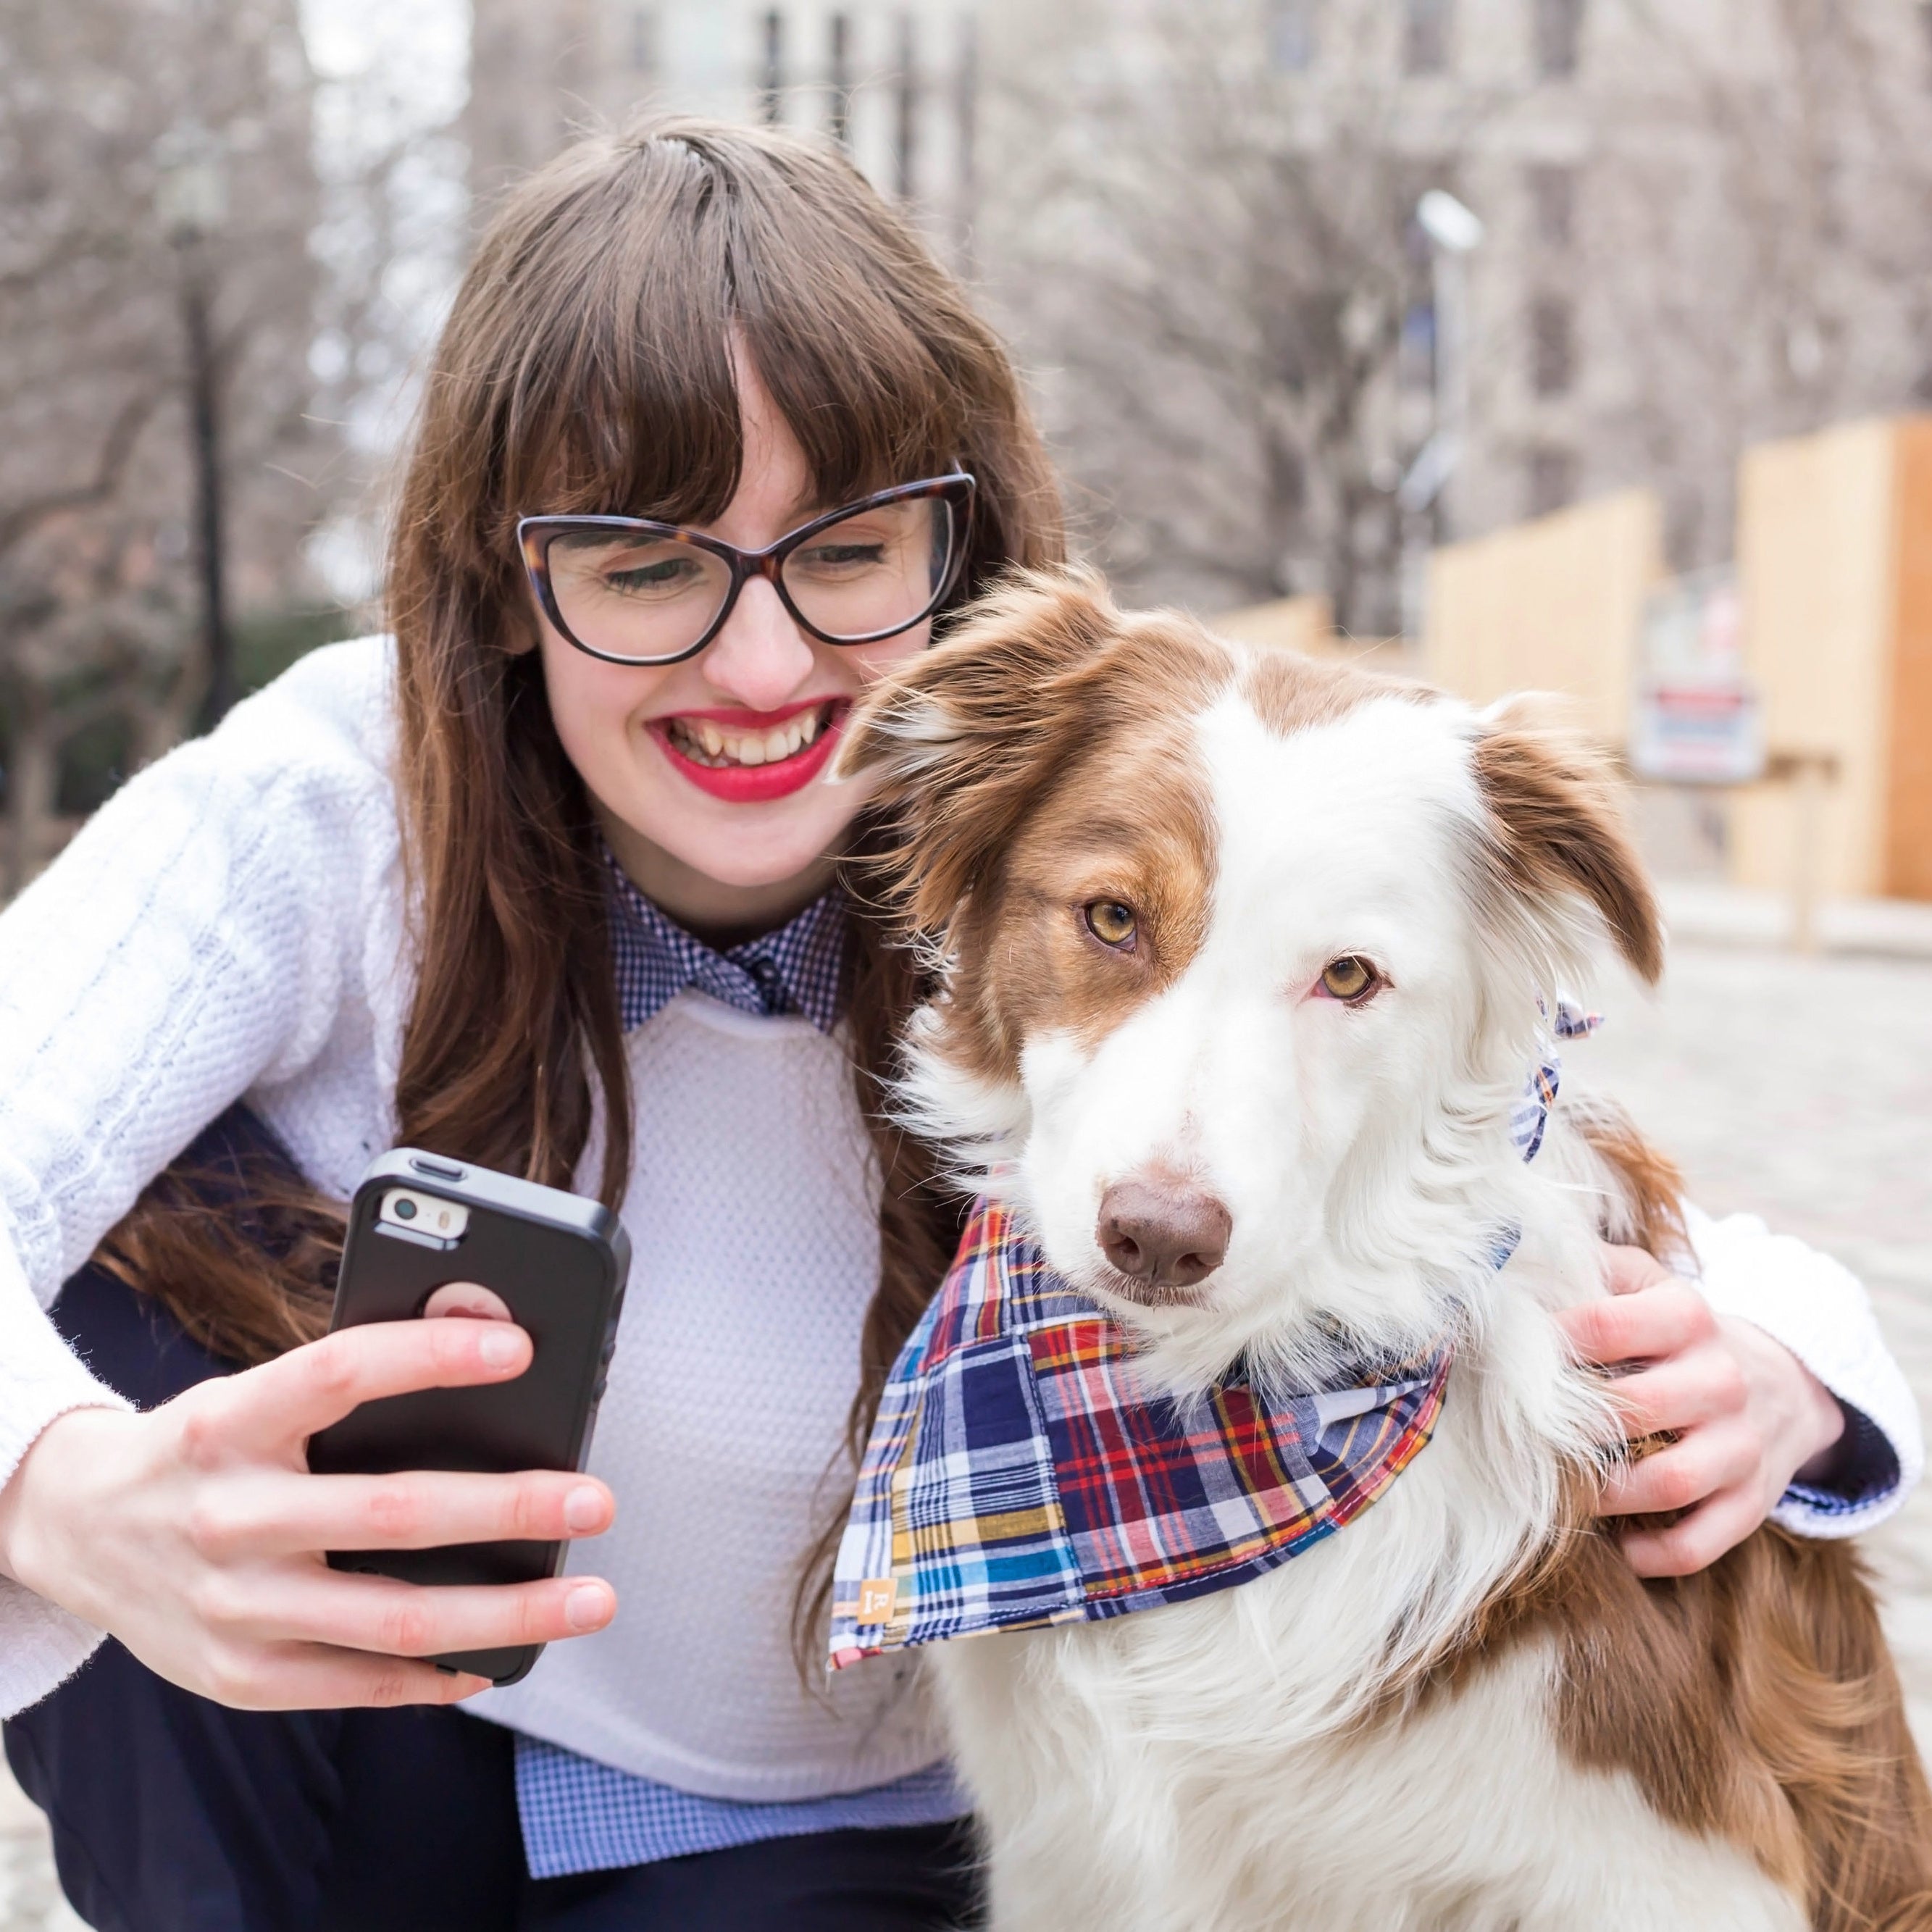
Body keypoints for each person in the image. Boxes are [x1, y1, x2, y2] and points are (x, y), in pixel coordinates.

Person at [0, 119, 1918, 1932]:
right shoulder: (333, 804)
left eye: (841, 553)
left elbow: (1484, 1133)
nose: (760, 669)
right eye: (647, 565)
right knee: (114, 1282)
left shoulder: (1061, 798)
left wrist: (1792, 1365)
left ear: (952, 542)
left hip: (800, 1821)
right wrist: (65, 1492)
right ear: (507, 580)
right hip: (363, 1753)